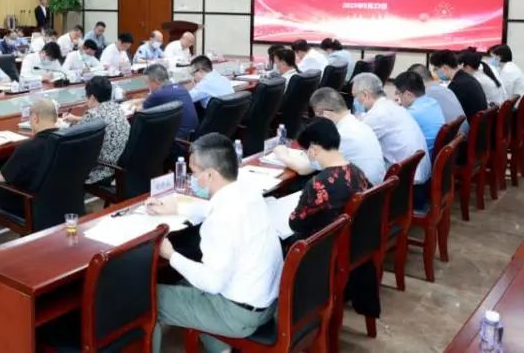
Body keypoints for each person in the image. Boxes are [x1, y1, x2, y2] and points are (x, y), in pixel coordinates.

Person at [146, 134, 282, 353]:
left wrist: (171, 255)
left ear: (210, 175)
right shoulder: (247, 192)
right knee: (185, 284)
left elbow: (211, 283)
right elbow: (213, 208)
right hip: (265, 303)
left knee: (150, 299)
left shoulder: (220, 222)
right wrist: (177, 207)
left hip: (237, 315)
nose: (192, 178)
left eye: (194, 172)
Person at [275, 87, 387, 184]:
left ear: (326, 114)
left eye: (317, 116)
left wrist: (282, 155)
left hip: (359, 195)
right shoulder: (360, 125)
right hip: (371, 191)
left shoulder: (342, 135)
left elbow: (304, 169)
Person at [352, 73, 430, 205]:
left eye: (355, 96)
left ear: (365, 95)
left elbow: (357, 141)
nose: (355, 101)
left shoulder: (379, 115)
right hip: (418, 180)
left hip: (409, 189)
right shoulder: (389, 106)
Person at [288, 118, 371, 241]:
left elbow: (295, 224)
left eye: (305, 152)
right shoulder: (357, 171)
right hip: (355, 236)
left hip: (325, 244)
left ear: (313, 150)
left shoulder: (318, 184)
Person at [0, 98, 59, 214]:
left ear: (35, 118)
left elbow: (1, 179)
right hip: (60, 201)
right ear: (56, 117)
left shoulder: (28, 148)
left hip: (27, 205)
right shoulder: (68, 141)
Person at [63, 76, 130, 185]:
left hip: (100, 171)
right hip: (118, 166)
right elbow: (103, 120)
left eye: (86, 97)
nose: (86, 101)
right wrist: (77, 119)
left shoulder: (92, 115)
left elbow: (73, 139)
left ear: (92, 97)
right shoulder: (117, 108)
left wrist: (62, 125)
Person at [135, 64, 197, 142]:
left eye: (148, 83)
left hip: (178, 139)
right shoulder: (180, 87)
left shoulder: (158, 95)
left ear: (157, 80)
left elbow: (139, 111)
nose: (147, 86)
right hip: (191, 133)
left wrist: (132, 106)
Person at [393, 71, 446, 157]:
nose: (396, 97)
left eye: (398, 93)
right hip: (434, 155)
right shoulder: (433, 102)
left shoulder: (411, 114)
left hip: (422, 159)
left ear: (408, 94)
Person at [430, 50, 488, 122]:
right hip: (479, 124)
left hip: (469, 126)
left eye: (435, 69)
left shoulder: (456, 86)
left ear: (444, 67)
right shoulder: (467, 78)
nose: (435, 72)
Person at [408, 64, 466, 128]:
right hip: (461, 131)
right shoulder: (446, 90)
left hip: (452, 132)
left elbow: (412, 117)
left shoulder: (427, 95)